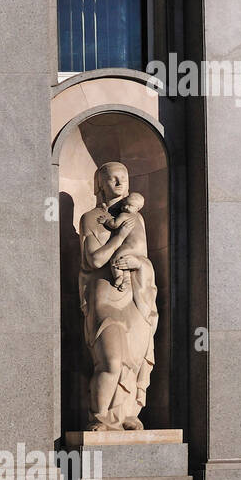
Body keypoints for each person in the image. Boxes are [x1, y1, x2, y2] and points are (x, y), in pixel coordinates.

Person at [78, 162, 158, 431]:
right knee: (111, 362)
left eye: (122, 178)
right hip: (104, 297)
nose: (118, 182)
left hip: (134, 296)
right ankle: (99, 418)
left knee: (133, 361)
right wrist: (120, 234)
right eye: (111, 179)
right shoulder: (90, 218)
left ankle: (126, 414)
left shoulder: (139, 219)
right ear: (100, 185)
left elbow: (143, 258)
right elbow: (94, 259)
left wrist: (136, 264)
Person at [98, 191, 146, 292]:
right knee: (126, 264)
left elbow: (114, 224)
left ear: (137, 209)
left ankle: (119, 276)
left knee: (116, 260)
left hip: (129, 246)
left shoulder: (124, 215)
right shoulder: (138, 217)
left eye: (130, 206)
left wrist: (106, 221)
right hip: (140, 250)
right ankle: (126, 281)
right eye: (125, 204)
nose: (126, 207)